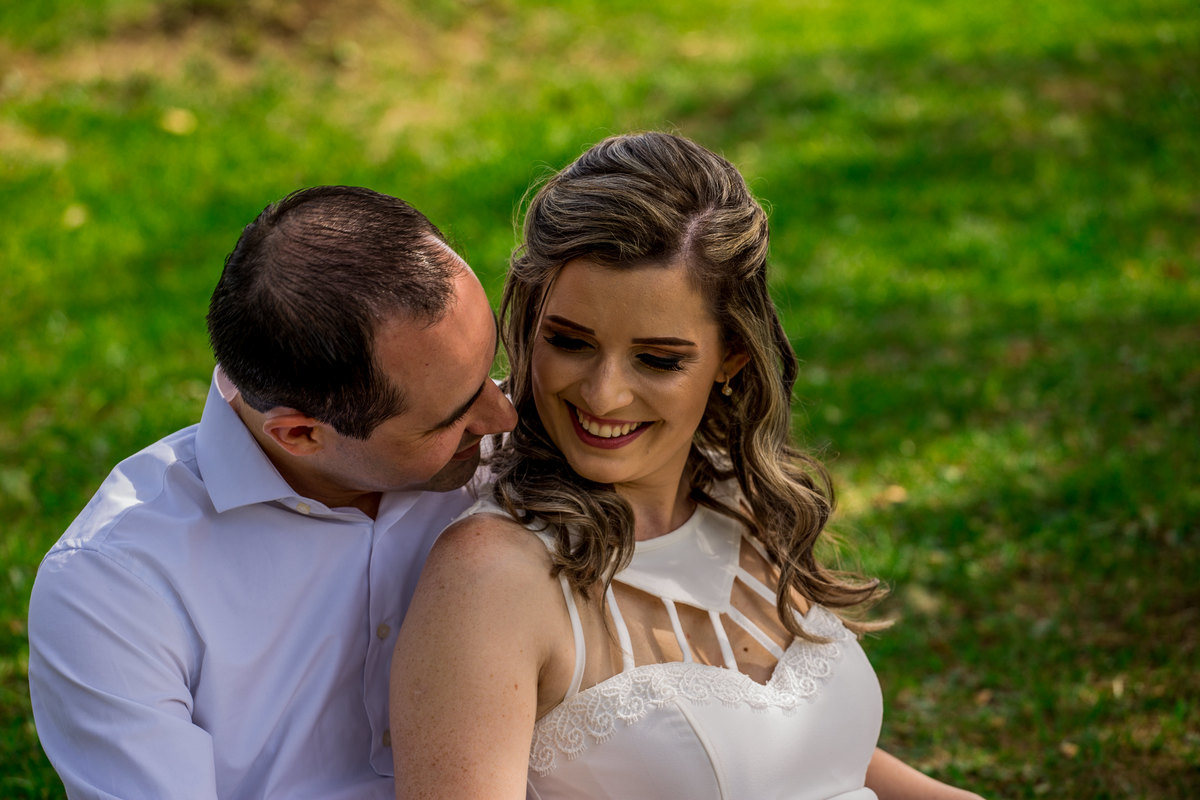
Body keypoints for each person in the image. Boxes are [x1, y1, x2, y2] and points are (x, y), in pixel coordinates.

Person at [389, 133, 985, 799]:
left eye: (659, 358)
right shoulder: (493, 577)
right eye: (570, 342)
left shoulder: (741, 497)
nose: (603, 394)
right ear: (529, 324)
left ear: (730, 356)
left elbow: (823, 759)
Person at [27, 186, 517, 799]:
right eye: (453, 416)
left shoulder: (516, 462)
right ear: (301, 434)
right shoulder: (115, 587)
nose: (504, 416)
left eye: (489, 368)